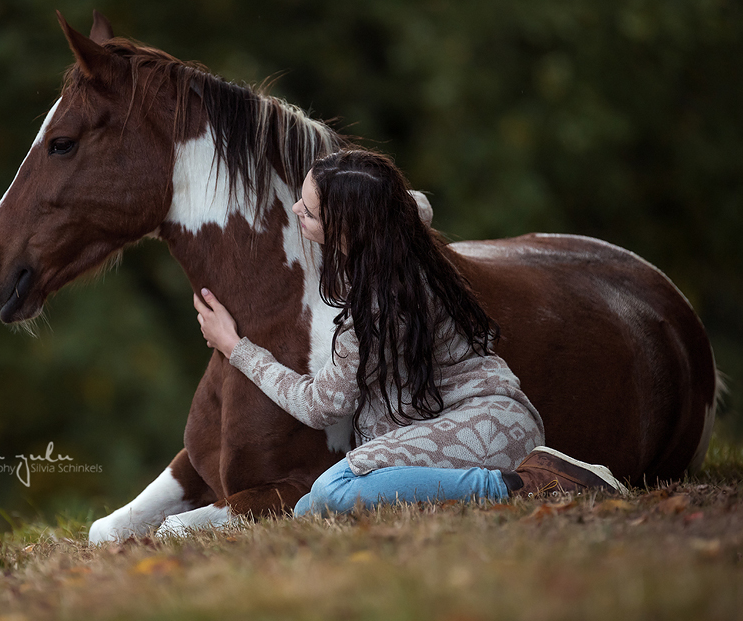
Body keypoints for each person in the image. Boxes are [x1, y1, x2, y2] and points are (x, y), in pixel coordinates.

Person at [194, 149, 624, 516]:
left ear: (348, 228)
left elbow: (321, 405)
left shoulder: (375, 313)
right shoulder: (401, 224)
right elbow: (413, 201)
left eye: (308, 210)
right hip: (470, 417)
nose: (295, 211)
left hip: (485, 425)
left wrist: (236, 347)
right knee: (308, 510)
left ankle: (529, 484)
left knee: (331, 492)